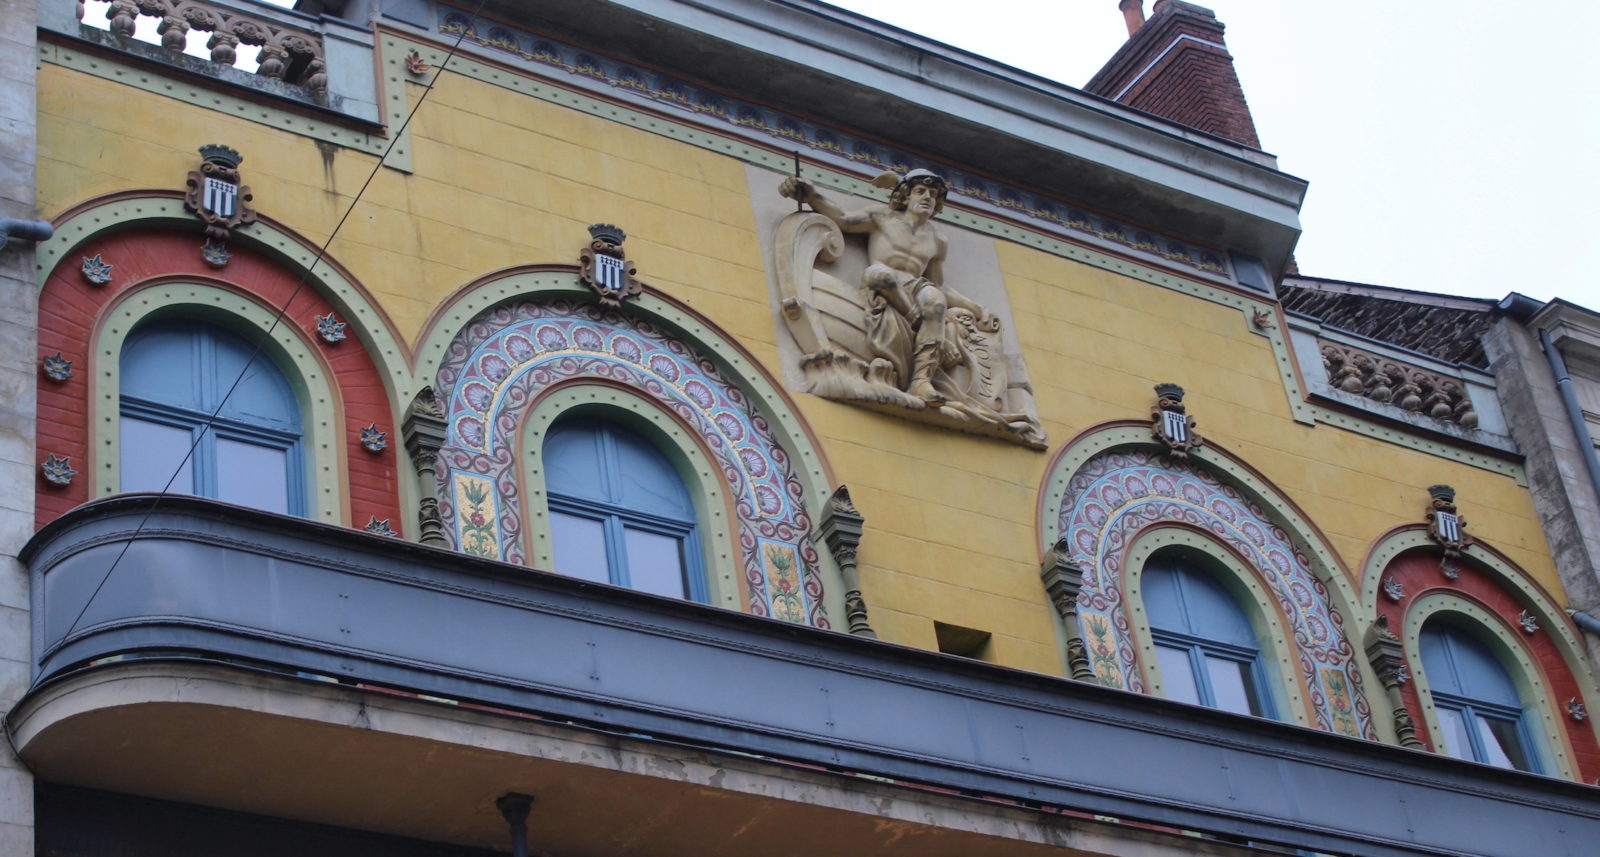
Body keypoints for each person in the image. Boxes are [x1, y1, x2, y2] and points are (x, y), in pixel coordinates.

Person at [779, 169, 997, 406]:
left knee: (934, 298)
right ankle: (915, 319)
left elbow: (937, 285)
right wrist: (812, 195)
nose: (927, 198)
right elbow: (843, 219)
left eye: (932, 194)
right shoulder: (882, 217)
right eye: (920, 191)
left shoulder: (937, 241)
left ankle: (921, 381)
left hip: (915, 287)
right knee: (878, 273)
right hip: (883, 282)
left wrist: (976, 309)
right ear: (905, 196)